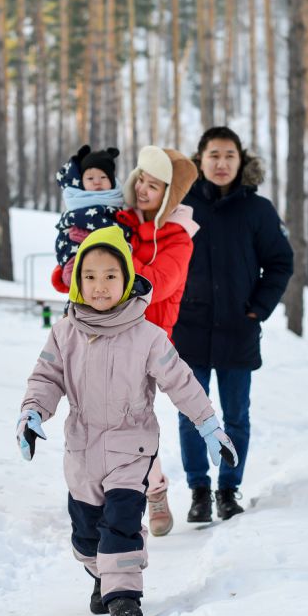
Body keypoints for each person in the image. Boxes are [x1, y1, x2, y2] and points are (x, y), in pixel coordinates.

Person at [16, 225, 237, 616]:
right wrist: (32, 413)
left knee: (121, 520)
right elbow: (46, 378)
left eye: (110, 276)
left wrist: (208, 425)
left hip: (131, 446)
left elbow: (181, 381)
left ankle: (123, 596)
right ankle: (103, 576)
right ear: (78, 281)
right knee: (87, 532)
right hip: (82, 449)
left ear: (127, 279)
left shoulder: (147, 336)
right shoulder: (64, 332)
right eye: (90, 276)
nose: (99, 286)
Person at [173, 126, 294, 524]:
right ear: (200, 160)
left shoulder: (258, 210)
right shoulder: (181, 205)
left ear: (241, 161)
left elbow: (280, 262)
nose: (221, 163)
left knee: (236, 415)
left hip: (238, 329)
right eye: (214, 155)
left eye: (229, 155)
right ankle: (199, 491)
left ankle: (228, 489)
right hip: (188, 329)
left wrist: (258, 308)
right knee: (192, 414)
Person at [114, 146, 199, 537]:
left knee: (134, 422)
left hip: (148, 341)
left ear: (169, 195)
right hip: (106, 331)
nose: (143, 189)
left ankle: (154, 490)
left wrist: (117, 255)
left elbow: (155, 285)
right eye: (141, 180)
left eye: (154, 185)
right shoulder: (121, 221)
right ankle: (113, 497)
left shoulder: (179, 239)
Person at [51, 146, 129, 290]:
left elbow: (123, 232)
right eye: (90, 178)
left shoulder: (117, 205)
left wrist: (89, 238)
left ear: (112, 180)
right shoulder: (77, 203)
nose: (97, 182)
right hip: (76, 253)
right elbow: (66, 231)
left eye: (103, 177)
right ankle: (74, 271)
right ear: (82, 181)